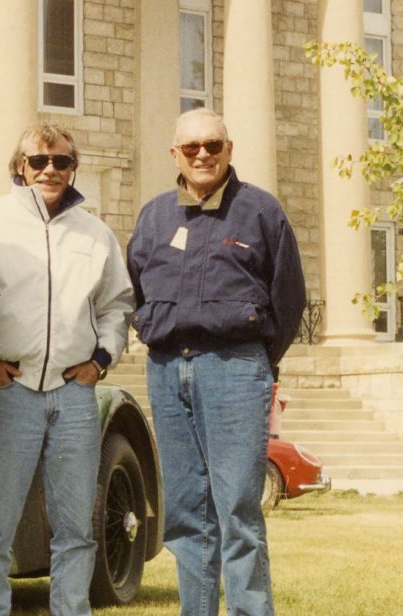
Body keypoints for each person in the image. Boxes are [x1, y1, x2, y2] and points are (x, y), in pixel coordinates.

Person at [126, 108, 306, 616]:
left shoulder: (260, 212)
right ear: (174, 155)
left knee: (237, 513)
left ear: (229, 150)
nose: (202, 155)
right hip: (166, 371)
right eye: (191, 148)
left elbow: (289, 297)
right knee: (185, 512)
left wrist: (254, 361)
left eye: (212, 145)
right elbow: (136, 286)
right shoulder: (155, 216)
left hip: (235, 369)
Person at [0, 123, 134, 616]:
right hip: (9, 391)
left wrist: (102, 360)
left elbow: (116, 305)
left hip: (73, 396)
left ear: (72, 167)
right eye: (38, 161)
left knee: (77, 528)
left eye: (60, 161)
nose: (49, 170)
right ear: (20, 166)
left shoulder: (95, 233)